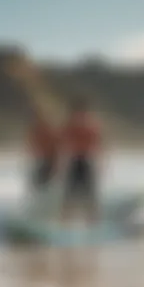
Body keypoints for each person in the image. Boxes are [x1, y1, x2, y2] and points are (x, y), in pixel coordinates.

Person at [59, 96, 102, 224]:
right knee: (69, 193)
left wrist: (101, 165)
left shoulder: (92, 126)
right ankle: (65, 221)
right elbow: (63, 145)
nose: (78, 115)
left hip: (86, 161)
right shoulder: (69, 126)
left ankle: (93, 221)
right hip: (74, 161)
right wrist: (61, 165)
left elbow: (98, 146)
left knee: (89, 193)